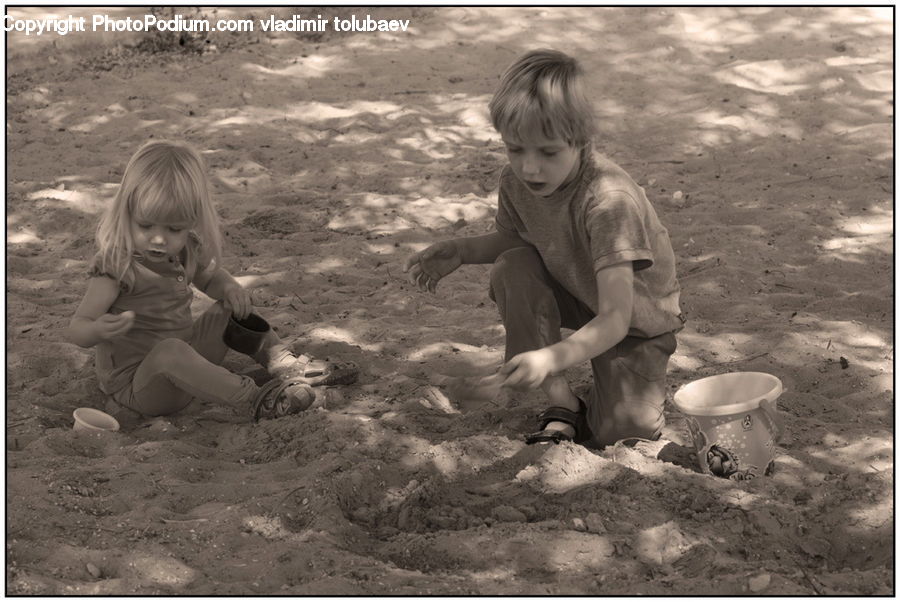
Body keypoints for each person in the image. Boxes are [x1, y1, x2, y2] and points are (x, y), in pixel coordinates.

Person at [403, 49, 684, 448]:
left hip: (636, 323)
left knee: (622, 432)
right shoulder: (516, 182)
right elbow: (519, 239)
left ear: (581, 139)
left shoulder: (607, 199)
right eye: (515, 149)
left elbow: (617, 319)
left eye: (548, 152)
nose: (529, 167)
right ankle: (562, 403)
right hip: (579, 292)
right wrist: (463, 250)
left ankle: (597, 396)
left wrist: (551, 356)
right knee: (512, 267)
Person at [66, 140, 356, 421]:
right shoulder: (117, 264)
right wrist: (98, 330)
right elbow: (77, 329)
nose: (158, 238)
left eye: (174, 228)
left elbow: (210, 277)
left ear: (191, 221)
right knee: (170, 351)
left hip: (188, 364)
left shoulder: (186, 249)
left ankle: (284, 365)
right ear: (127, 212)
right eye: (145, 225)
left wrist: (229, 288)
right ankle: (256, 400)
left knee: (229, 310)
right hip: (139, 387)